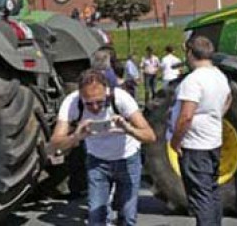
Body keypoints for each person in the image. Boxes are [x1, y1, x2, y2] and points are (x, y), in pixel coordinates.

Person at [48, 69, 156, 226]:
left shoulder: (121, 98)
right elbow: (54, 144)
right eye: (89, 103)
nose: (95, 108)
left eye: (100, 102)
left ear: (106, 92)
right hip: (97, 162)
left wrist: (128, 129)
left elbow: (150, 136)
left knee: (127, 216)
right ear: (80, 95)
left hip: (128, 159)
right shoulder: (72, 103)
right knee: (96, 217)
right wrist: (77, 136)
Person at [168, 36, 231, 226]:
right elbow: (228, 99)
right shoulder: (219, 75)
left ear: (189, 52)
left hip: (195, 145)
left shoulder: (193, 80)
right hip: (213, 141)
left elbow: (186, 115)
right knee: (211, 192)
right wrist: (215, 115)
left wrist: (176, 141)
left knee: (200, 197)